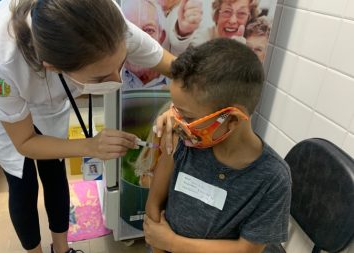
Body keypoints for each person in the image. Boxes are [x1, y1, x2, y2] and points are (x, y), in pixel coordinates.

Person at [0, 0, 175, 252]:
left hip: (47, 82)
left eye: (121, 64)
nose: (117, 81)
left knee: (54, 165)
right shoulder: (1, 60)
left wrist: (181, 102)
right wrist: (90, 146)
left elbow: (174, 66)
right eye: (101, 77)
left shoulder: (107, 23)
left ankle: (61, 248)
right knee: (22, 179)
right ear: (54, 68)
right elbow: (25, 142)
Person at [144, 38, 291, 253]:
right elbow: (153, 207)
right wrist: (159, 247)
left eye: (186, 116)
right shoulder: (182, 141)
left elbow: (248, 249)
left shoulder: (272, 178)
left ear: (230, 119)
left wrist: (172, 243)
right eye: (175, 109)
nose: (176, 121)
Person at [169, 0, 259, 50]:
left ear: (249, 18)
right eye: (227, 11)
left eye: (241, 13)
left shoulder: (254, 41)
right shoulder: (203, 39)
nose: (232, 21)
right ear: (216, 16)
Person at [122, 0, 169, 90]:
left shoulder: (178, 79)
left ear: (161, 37)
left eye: (148, 30)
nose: (139, 43)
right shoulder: (108, 81)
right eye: (129, 31)